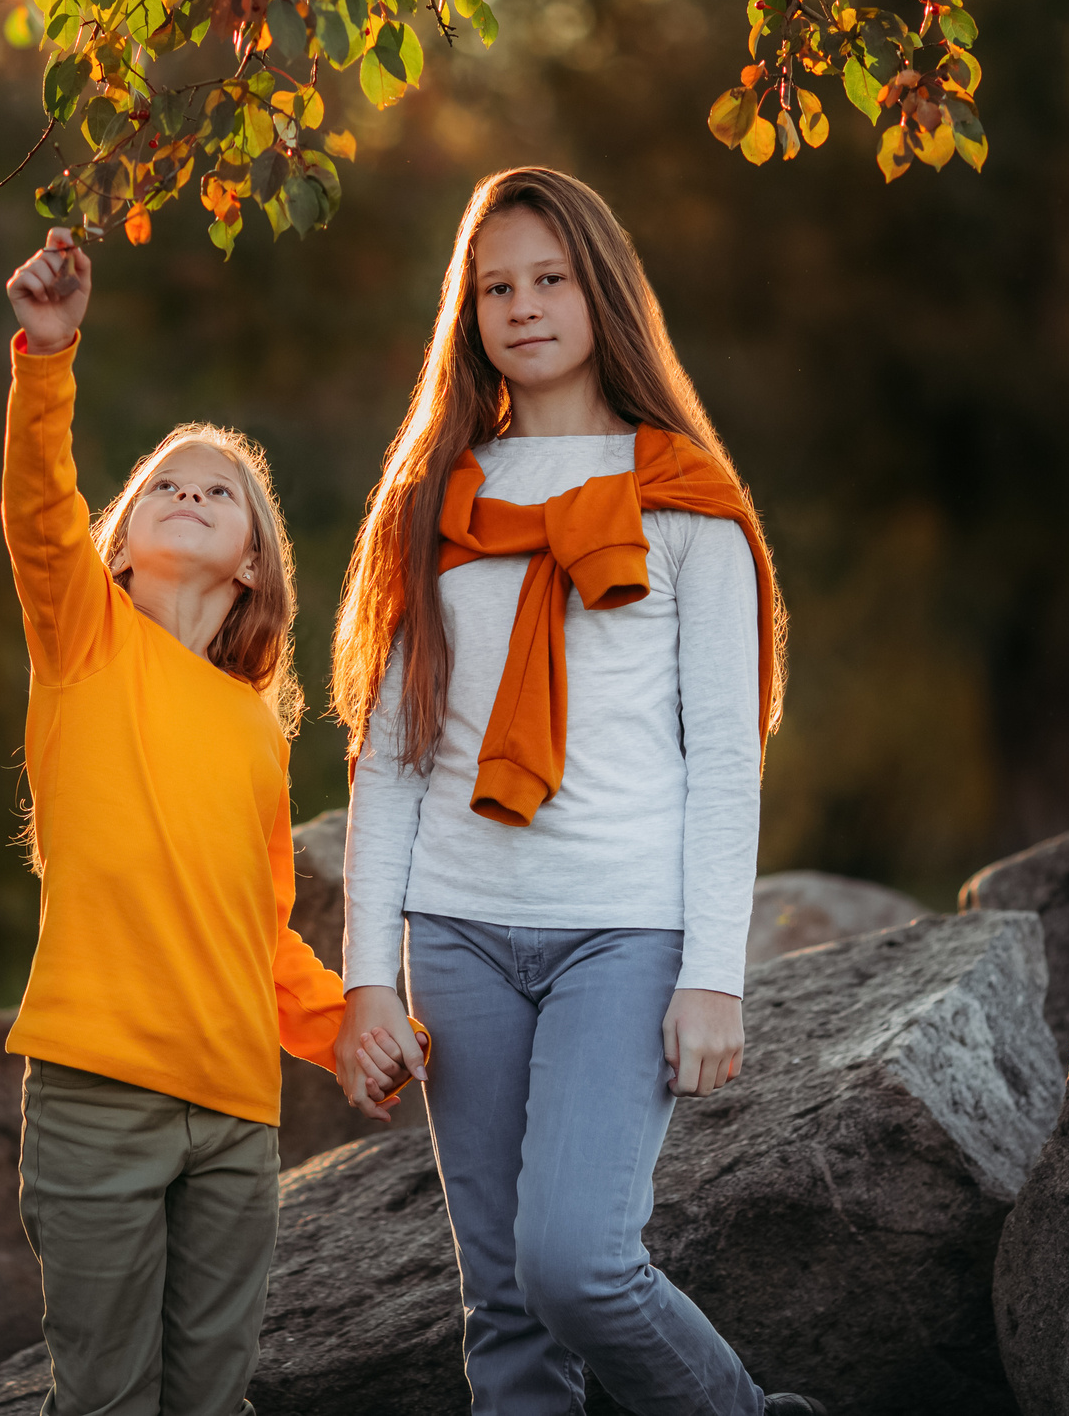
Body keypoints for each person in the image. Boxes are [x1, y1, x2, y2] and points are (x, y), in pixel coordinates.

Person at [330, 170, 824, 1416]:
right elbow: (390, 758)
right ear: (468, 311)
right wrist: (366, 980)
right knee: (501, 1307)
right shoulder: (437, 503)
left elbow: (724, 757)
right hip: (457, 934)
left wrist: (715, 971)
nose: (523, 305)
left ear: (602, 291)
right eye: (495, 285)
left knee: (578, 1266)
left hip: (624, 933)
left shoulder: (686, 503)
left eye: (549, 278)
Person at [0, 226, 420, 1416]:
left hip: (235, 1114)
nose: (187, 492)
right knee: (109, 1403)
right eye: (163, 485)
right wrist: (47, 354)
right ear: (119, 548)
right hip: (96, 1094)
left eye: (217, 490)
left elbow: (262, 923)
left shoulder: (255, 730)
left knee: (213, 1401)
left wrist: (343, 1028)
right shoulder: (82, 643)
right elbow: (38, 511)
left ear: (252, 565)